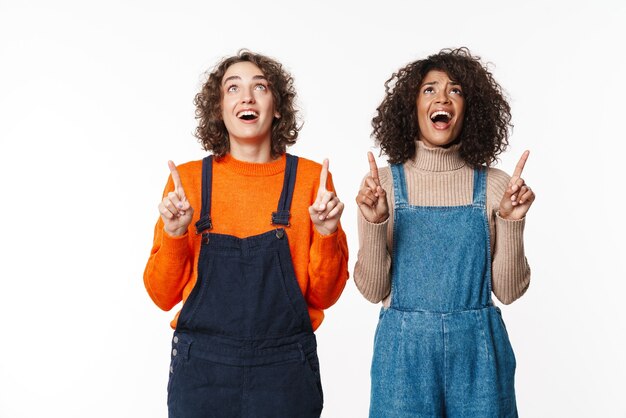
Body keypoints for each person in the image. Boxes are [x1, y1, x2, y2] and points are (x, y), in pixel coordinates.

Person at [144, 50, 349, 418]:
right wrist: (175, 235)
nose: (247, 97)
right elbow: (161, 296)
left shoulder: (311, 182)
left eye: (260, 87)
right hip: (202, 372)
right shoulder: (186, 183)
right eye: (233, 88)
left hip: (285, 373)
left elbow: (325, 295)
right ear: (219, 109)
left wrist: (326, 232)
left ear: (278, 107)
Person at [354, 47, 534, 417]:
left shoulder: (498, 187)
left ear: (470, 109)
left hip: (478, 353)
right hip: (404, 355)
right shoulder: (383, 185)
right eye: (429, 90)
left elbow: (509, 291)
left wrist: (512, 222)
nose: (442, 98)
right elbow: (373, 291)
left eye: (455, 91)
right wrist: (374, 223)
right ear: (412, 108)